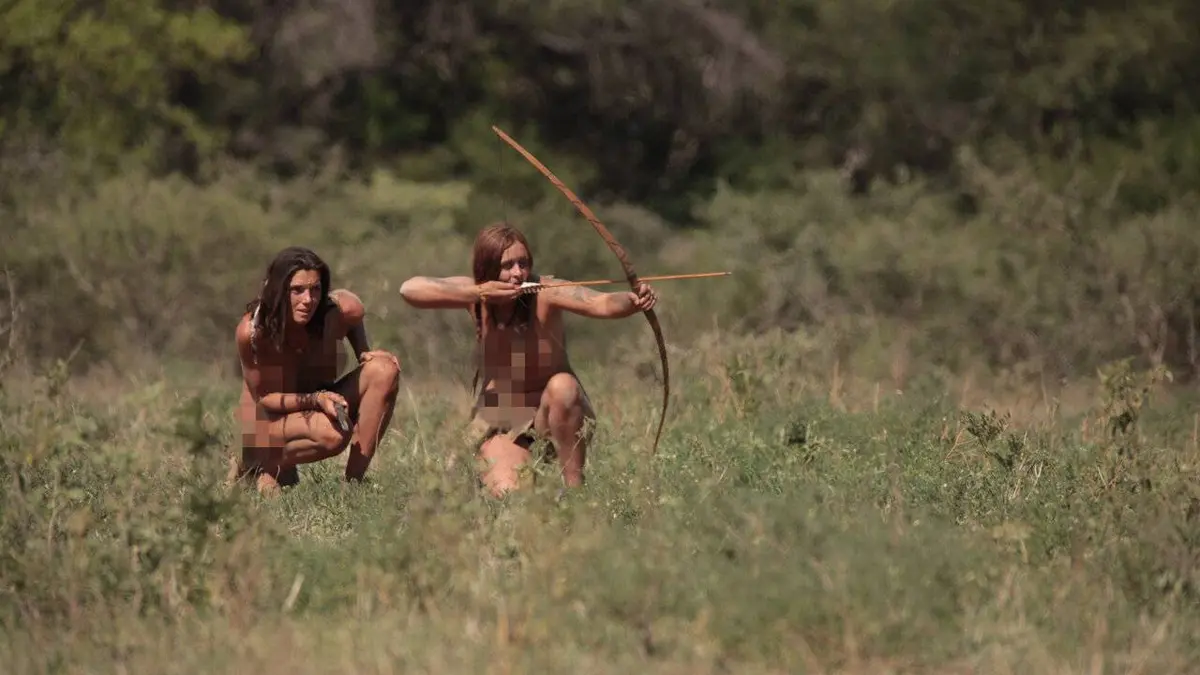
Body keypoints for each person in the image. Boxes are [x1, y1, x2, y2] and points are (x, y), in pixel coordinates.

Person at [398, 222, 657, 497]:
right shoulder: (475, 293)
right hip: (503, 415)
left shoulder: (547, 290)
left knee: (562, 386)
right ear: (487, 268)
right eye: (507, 265)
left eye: (523, 263)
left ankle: (575, 494)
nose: (517, 273)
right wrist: (479, 292)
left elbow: (600, 303)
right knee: (509, 496)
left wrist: (633, 300)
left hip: (553, 411)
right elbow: (409, 289)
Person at [230, 246, 401, 496]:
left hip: (315, 403)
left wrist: (363, 351)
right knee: (334, 434)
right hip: (266, 419)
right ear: (277, 290)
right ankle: (259, 464)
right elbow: (264, 398)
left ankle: (353, 485)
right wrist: (316, 399)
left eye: (315, 289)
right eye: (297, 290)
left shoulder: (334, 312)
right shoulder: (254, 333)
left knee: (384, 370)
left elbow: (353, 312)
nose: (308, 300)